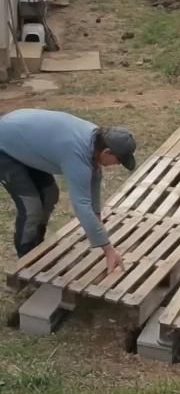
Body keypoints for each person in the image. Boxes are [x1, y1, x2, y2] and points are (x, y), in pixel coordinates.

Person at [0, 109, 136, 274]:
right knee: (31, 208)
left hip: (25, 140)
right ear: (107, 152)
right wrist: (108, 250)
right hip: (5, 144)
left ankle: (36, 247)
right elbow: (82, 206)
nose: (117, 164)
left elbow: (93, 196)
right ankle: (25, 262)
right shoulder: (77, 154)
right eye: (119, 160)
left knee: (50, 195)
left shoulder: (96, 144)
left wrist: (97, 226)